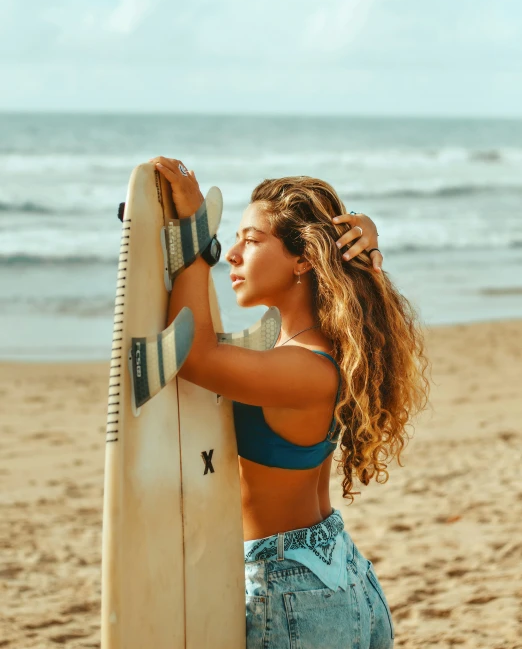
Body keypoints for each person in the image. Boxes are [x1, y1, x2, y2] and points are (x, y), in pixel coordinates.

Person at [149, 156, 429, 649]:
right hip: (336, 577)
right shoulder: (321, 350)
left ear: (304, 260)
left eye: (250, 240)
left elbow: (191, 353)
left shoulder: (303, 369)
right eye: (232, 240)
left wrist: (197, 242)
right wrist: (365, 230)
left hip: (293, 592)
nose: (233, 253)